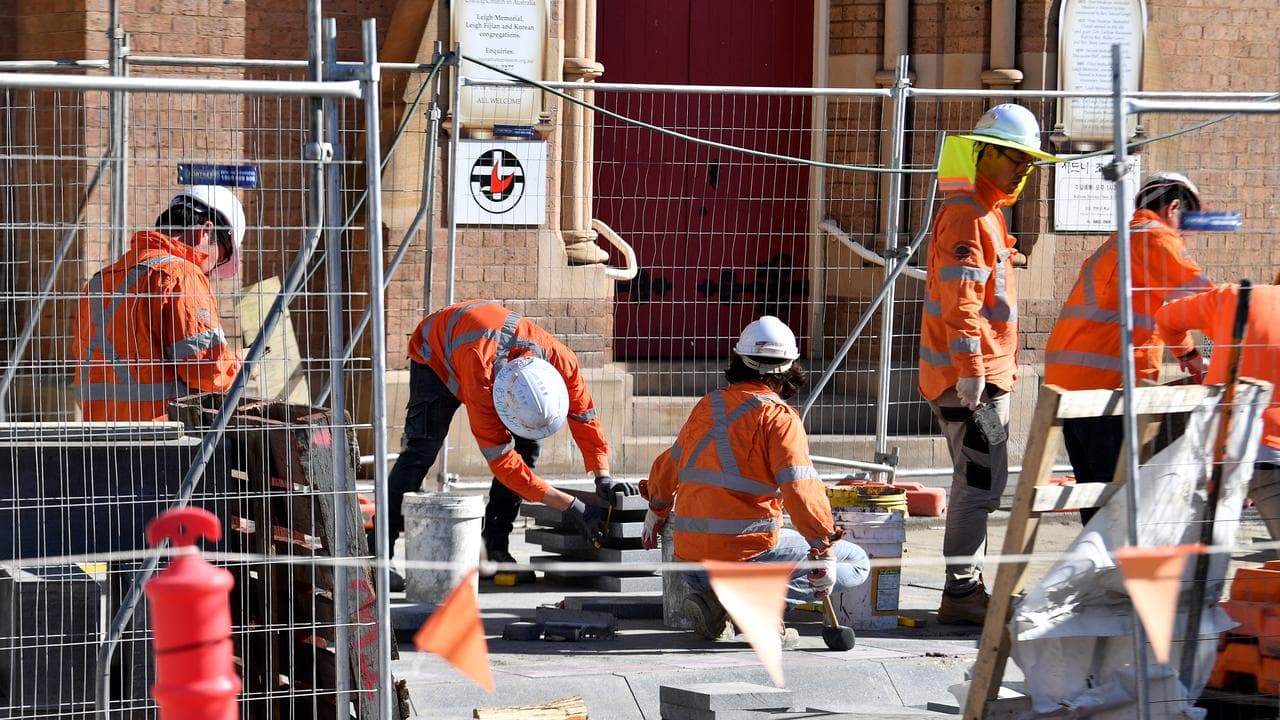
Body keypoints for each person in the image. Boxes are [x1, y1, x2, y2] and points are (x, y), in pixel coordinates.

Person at [640, 316, 870, 645]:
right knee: (856, 563)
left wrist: (657, 508)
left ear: (738, 361)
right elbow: (800, 489)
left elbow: (671, 461)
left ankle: (717, 602)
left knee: (781, 543)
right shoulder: (778, 418)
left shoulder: (710, 405)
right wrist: (823, 548)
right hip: (743, 556)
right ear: (790, 368)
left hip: (691, 564)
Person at [917, 104, 1059, 625]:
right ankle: (960, 593)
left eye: (1029, 160)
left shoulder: (986, 214)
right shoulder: (969, 215)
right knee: (977, 485)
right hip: (966, 380)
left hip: (978, 377)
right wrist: (972, 370)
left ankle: (965, 588)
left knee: (981, 483)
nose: (1024, 168)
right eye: (1016, 157)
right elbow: (961, 303)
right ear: (984, 153)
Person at [387, 299, 624, 579]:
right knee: (421, 452)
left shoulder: (562, 362)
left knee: (526, 447)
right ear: (502, 400)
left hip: (479, 348)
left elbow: (585, 417)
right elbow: (504, 464)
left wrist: (602, 475)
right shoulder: (482, 380)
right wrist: (569, 505)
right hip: (435, 354)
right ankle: (376, 556)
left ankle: (494, 550)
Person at [1044, 172, 1212, 522]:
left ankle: (1098, 570)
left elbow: (1165, 312)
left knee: (1096, 492)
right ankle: (1114, 572)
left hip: (1070, 382)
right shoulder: (1157, 238)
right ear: (1175, 207)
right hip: (1108, 385)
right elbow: (1207, 302)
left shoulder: (1121, 242)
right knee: (1118, 500)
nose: (1185, 235)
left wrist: (1188, 355)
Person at [74, 185, 245, 422]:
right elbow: (205, 371)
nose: (214, 268)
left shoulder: (99, 282)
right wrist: (238, 367)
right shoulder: (182, 276)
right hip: (160, 443)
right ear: (205, 232)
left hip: (99, 438)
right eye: (222, 256)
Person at [1155, 279, 1280, 550]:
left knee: (1192, 565)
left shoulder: (1234, 297)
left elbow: (1166, 318)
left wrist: (1189, 355)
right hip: (1271, 459)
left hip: (1214, 452)